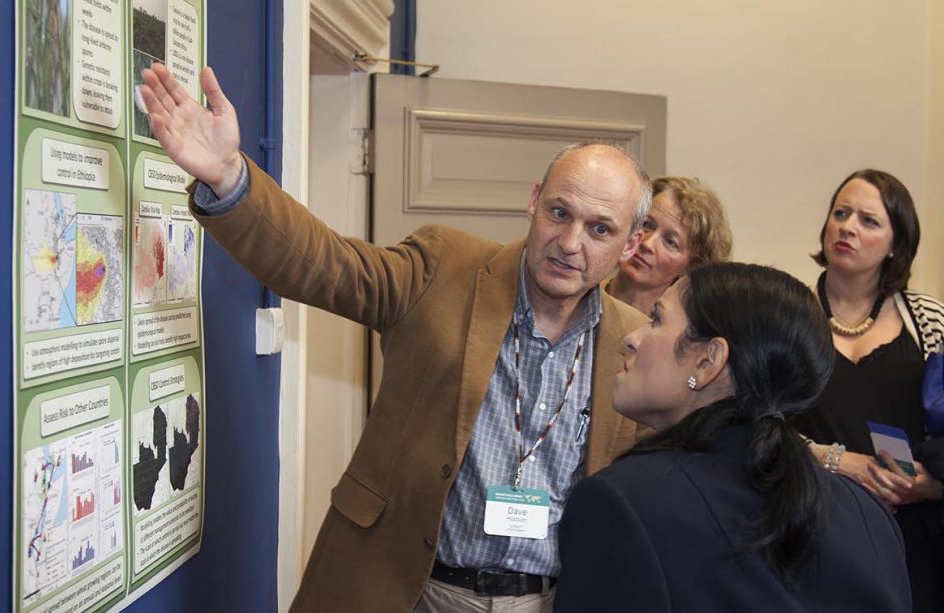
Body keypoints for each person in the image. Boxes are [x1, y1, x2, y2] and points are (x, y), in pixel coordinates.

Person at [138, 63, 652, 612]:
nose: (571, 242)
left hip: (548, 600)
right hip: (411, 590)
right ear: (533, 202)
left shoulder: (637, 345)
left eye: (600, 229)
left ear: (628, 245)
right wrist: (229, 177)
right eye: (559, 213)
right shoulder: (445, 267)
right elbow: (325, 264)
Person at [554, 263, 911, 612]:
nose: (632, 338)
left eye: (657, 319)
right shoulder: (870, 516)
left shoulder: (620, 503)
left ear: (708, 361)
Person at [794, 169, 944, 612]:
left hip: (919, 539)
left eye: (868, 220)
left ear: (897, 243)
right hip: (817, 531)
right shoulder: (788, 315)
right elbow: (755, 427)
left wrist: (934, 482)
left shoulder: (930, 319)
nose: (848, 227)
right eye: (841, 213)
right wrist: (837, 461)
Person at [605, 176, 732, 314]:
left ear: (692, 266)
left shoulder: (683, 334)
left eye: (670, 242)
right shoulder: (581, 296)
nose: (647, 243)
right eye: (647, 224)